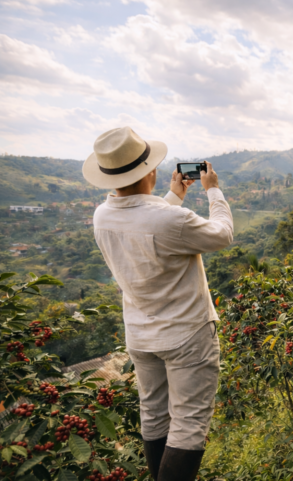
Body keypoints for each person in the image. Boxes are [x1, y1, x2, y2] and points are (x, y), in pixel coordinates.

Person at [83, 127, 233, 481]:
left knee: (153, 415)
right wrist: (213, 190)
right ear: (149, 170)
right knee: (189, 422)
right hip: (186, 335)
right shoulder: (170, 219)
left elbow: (144, 221)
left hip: (140, 336)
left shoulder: (102, 215)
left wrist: (175, 195)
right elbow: (223, 234)